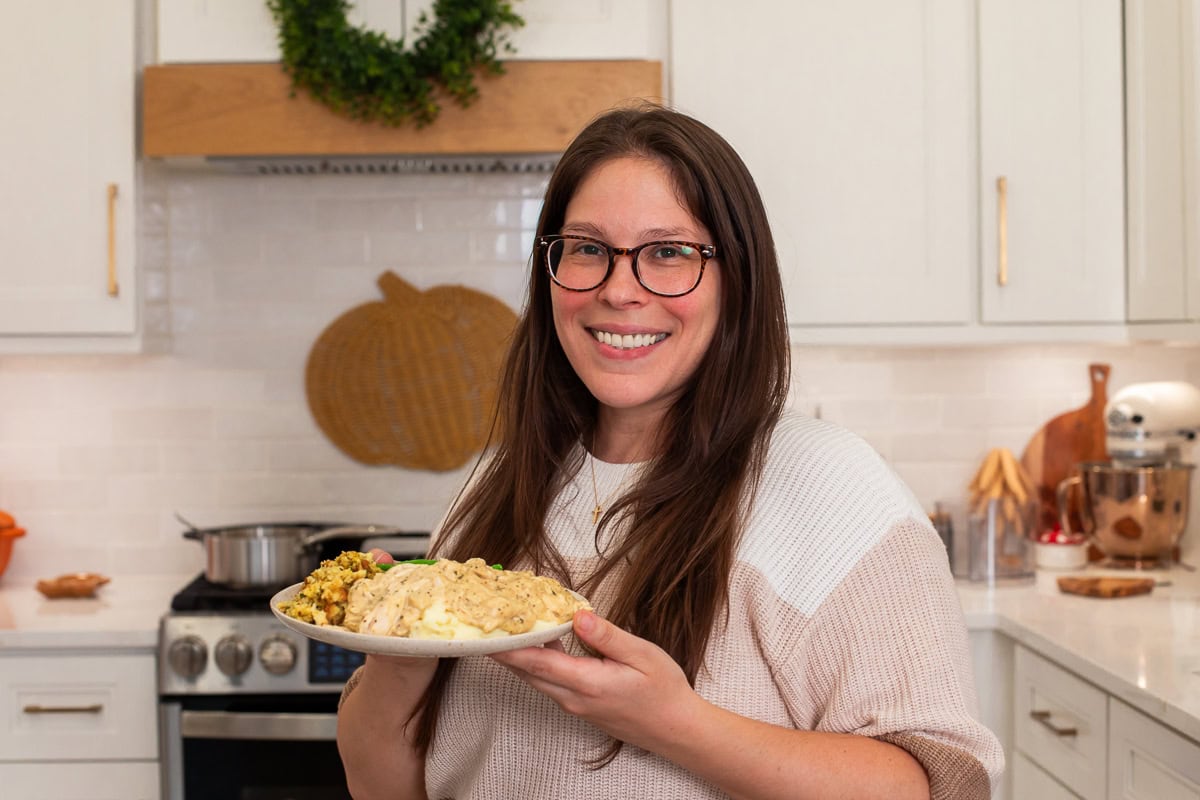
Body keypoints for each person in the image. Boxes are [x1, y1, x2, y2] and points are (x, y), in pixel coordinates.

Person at [336, 103, 1004, 800]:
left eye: (669, 253)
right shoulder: (499, 483)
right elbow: (380, 785)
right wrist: (401, 645)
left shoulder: (832, 490)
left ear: (736, 281)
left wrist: (676, 722)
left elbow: (941, 785)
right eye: (588, 248)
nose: (618, 290)